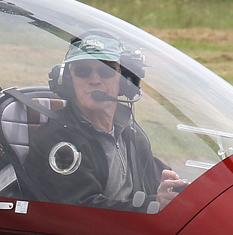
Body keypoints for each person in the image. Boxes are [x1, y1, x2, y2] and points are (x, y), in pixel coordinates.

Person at [23, 36, 185, 213]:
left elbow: (159, 180)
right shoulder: (56, 141)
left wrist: (176, 190)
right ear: (69, 80)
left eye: (106, 70)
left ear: (124, 80)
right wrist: (153, 206)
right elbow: (85, 212)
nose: (94, 80)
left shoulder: (129, 131)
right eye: (83, 71)